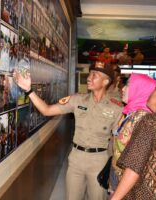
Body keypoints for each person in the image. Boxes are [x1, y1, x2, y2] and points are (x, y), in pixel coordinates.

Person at [13, 62, 123, 200]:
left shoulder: (116, 108)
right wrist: (29, 90)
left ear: (106, 81)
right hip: (76, 159)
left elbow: (119, 141)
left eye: (95, 75)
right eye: (90, 74)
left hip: (99, 161)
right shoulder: (77, 100)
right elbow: (47, 110)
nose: (89, 77)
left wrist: (115, 170)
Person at [109, 73, 156, 192]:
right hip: (119, 172)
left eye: (128, 85)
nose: (123, 89)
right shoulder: (132, 113)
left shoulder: (142, 118)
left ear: (140, 90)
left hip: (128, 179)